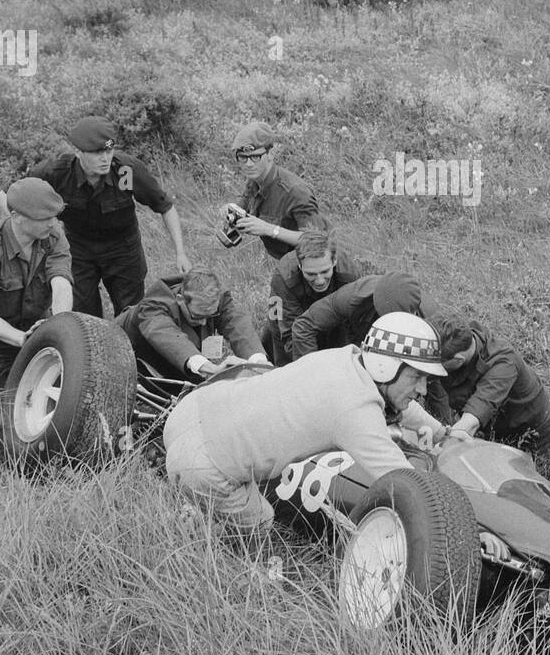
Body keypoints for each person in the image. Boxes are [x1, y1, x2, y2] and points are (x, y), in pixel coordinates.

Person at [162, 312, 449, 530]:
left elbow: (398, 400)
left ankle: (192, 504)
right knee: (262, 522)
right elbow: (409, 484)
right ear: (387, 367)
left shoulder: (346, 358)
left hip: (191, 410)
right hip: (202, 465)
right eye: (417, 377)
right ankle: (213, 534)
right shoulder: (354, 411)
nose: (423, 390)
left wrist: (440, 432)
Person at [2, 116, 190, 318]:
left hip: (123, 250)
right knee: (84, 316)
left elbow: (165, 207)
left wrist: (180, 253)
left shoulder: (126, 169)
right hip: (78, 251)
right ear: (77, 152)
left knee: (131, 314)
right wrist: (31, 232)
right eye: (97, 152)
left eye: (109, 150)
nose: (105, 158)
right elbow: (7, 195)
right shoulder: (57, 172)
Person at [422, 313, 550, 486]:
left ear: (457, 360)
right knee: (507, 490)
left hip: (540, 433)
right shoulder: (454, 340)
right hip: (498, 434)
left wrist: (444, 446)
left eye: (436, 365)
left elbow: (473, 418)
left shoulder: (503, 362)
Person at [0, 177, 74, 388]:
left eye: (54, 216)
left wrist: (58, 329)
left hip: (37, 332)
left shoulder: (54, 236)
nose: (52, 223)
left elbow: (61, 283)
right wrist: (22, 339)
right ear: (16, 216)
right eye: (43, 218)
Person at [116, 269, 267, 382]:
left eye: (211, 316)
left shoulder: (216, 297)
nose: (204, 323)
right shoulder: (152, 306)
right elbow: (169, 339)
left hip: (175, 361)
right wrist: (210, 370)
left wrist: (258, 361)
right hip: (126, 359)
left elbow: (236, 322)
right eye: (198, 316)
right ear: (181, 300)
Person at [263, 220, 378, 364]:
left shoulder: (348, 273)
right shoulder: (284, 277)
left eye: (325, 271)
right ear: (300, 265)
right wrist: (312, 368)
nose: (319, 281)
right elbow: (288, 334)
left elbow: (354, 324)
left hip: (334, 314)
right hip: (291, 319)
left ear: (334, 261)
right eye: (311, 274)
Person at [216, 122, 322, 263]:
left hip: (315, 265)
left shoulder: (295, 191)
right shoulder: (255, 180)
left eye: (255, 157)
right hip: (287, 262)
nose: (248, 164)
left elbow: (316, 241)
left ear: (270, 154)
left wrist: (268, 229)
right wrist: (230, 212)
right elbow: (244, 205)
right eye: (243, 157)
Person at [288, 271, 430, 359]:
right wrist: (310, 373)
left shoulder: (429, 324)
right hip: (355, 341)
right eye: (383, 316)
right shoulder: (354, 297)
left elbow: (433, 373)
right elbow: (304, 326)